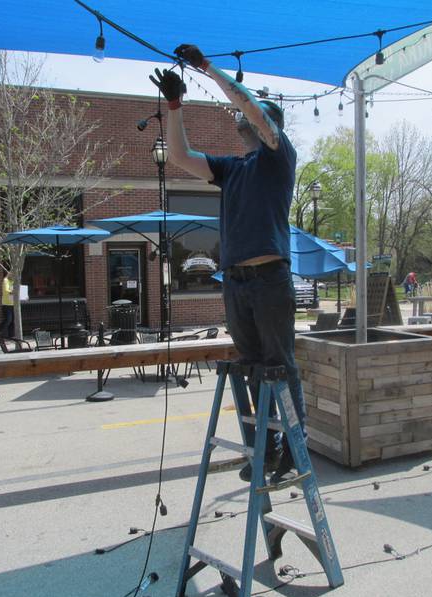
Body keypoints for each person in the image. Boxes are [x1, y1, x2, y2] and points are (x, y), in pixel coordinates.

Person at [150, 44, 302, 484]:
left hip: (269, 280)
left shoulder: (278, 157)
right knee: (254, 367)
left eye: (253, 114)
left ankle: (295, 447)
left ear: (268, 124)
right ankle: (266, 450)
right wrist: (174, 106)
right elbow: (180, 156)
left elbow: (250, 106)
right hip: (235, 282)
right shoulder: (232, 169)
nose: (243, 116)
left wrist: (206, 68)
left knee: (281, 365)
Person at [0, 271, 15, 338]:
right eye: (13, 275)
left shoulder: (13, 281)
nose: (14, 277)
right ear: (9, 274)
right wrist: (14, 291)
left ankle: (11, 336)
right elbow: (6, 291)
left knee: (12, 321)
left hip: (13, 304)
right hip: (6, 304)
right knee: (8, 320)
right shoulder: (5, 280)